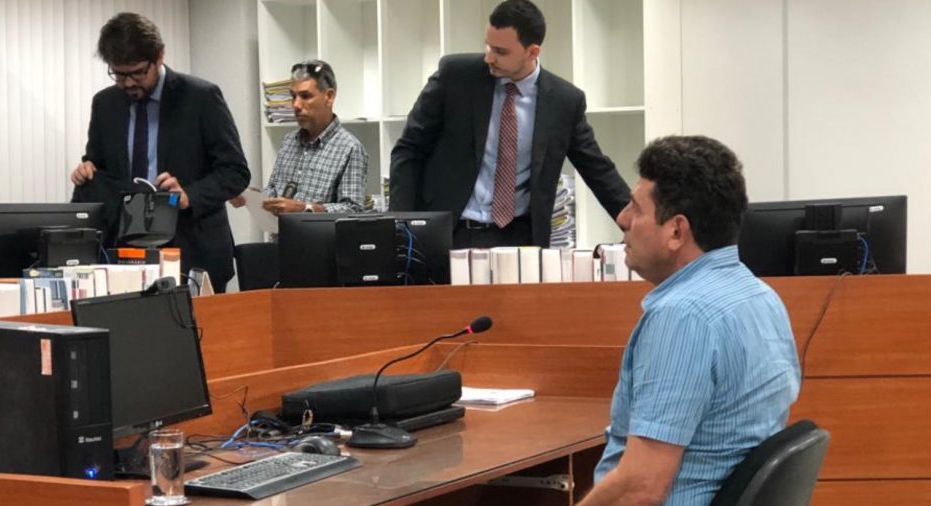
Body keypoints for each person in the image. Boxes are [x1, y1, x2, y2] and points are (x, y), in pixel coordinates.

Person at [401, 135, 801, 506]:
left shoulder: (683, 317)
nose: (623, 219)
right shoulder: (759, 298)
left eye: (636, 208)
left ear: (677, 231)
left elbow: (640, 489)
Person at [389, 0, 629, 249]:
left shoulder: (564, 101)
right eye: (488, 46)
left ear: (532, 52)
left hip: (521, 239)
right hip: (452, 232)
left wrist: (636, 223)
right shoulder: (455, 76)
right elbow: (409, 149)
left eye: (501, 52)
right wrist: (398, 225)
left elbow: (596, 168)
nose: (489, 57)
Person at [70, 13, 250, 291]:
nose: (128, 83)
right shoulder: (105, 104)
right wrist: (87, 168)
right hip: (125, 253)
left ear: (159, 56)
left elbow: (235, 172)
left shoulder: (201, 97)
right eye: (119, 74)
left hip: (192, 248)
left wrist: (189, 195)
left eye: (138, 72)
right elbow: (98, 162)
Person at [261, 60, 367, 216]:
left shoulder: (350, 148)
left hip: (320, 233)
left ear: (329, 97)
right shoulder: (289, 141)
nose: (296, 105)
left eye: (305, 96)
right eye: (293, 96)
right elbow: (273, 190)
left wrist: (305, 209)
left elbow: (353, 209)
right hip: (280, 231)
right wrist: (254, 198)